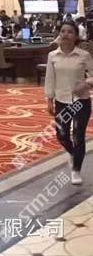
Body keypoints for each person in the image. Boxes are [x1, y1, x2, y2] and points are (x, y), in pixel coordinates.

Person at [45, 21, 93, 185]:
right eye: (63, 31)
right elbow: (50, 79)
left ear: (76, 36)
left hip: (81, 101)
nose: (66, 34)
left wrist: (85, 83)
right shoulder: (52, 56)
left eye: (70, 32)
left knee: (78, 135)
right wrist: (49, 99)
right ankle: (74, 153)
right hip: (62, 100)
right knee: (62, 135)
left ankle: (76, 169)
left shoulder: (83, 55)